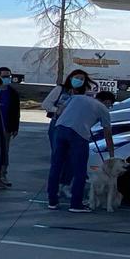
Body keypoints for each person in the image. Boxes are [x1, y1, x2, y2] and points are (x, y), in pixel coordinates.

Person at [46, 72, 109, 213]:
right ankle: (76, 204)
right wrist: (110, 153)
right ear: (107, 102)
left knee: (56, 165)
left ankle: (52, 201)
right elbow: (107, 133)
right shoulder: (104, 109)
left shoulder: (76, 98)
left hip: (60, 128)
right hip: (78, 134)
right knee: (80, 169)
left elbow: (62, 110)